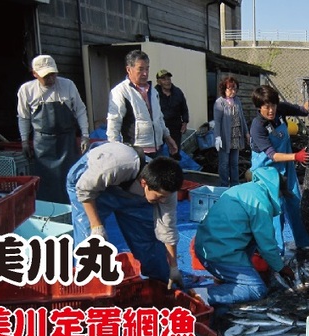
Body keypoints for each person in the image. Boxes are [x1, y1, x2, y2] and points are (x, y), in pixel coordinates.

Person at [65, 141, 184, 288]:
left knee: (148, 243)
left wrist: (173, 267)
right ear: (144, 183)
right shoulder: (115, 166)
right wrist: (96, 227)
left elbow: (168, 229)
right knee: (91, 244)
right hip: (89, 186)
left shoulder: (167, 192)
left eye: (165, 196)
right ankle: (91, 291)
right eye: (159, 196)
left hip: (130, 193)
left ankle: (161, 283)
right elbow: (84, 190)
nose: (163, 200)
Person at [192, 167, 295, 305]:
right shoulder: (261, 203)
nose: (281, 199)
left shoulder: (243, 189)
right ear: (277, 191)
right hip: (219, 254)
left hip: (205, 246)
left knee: (253, 239)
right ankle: (202, 296)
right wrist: (281, 268)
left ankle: (224, 278)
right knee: (256, 289)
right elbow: (267, 246)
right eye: (282, 195)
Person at [17, 54, 89, 203]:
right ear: (35, 74)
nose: (50, 79)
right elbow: (23, 117)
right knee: (46, 184)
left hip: (67, 141)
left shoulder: (68, 85)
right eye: (46, 76)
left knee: (72, 179)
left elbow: (80, 110)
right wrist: (24, 141)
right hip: (42, 144)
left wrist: (85, 135)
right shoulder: (26, 90)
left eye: (53, 74)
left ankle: (73, 209)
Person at [250, 85, 309, 250]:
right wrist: (296, 156)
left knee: (295, 202)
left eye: (273, 105)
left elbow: (304, 110)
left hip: (286, 166)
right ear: (259, 107)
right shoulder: (257, 126)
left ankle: (304, 244)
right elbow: (273, 155)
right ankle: (276, 251)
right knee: (275, 210)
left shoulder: (280, 109)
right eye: (266, 107)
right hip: (266, 171)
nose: (271, 110)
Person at [106, 50, 178, 158]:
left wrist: (167, 137)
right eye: (140, 69)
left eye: (147, 68)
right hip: (136, 151)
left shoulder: (153, 92)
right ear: (129, 69)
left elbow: (159, 118)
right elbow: (114, 122)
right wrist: (114, 151)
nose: (145, 73)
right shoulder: (121, 91)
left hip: (158, 148)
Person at [213, 76, 249, 187]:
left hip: (236, 136)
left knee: (234, 163)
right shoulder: (219, 102)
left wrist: (246, 133)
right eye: (230, 89)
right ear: (224, 89)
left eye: (235, 89)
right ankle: (224, 184)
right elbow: (217, 121)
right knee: (224, 163)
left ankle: (235, 184)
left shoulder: (237, 100)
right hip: (225, 137)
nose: (232, 92)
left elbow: (242, 118)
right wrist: (217, 137)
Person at [155, 69, 190, 159]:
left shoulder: (178, 92)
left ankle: (174, 169)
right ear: (159, 82)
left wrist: (185, 122)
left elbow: (184, 109)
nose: (167, 82)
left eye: (168, 79)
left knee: (175, 151)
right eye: (164, 79)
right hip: (160, 128)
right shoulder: (154, 94)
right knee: (159, 152)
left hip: (175, 127)